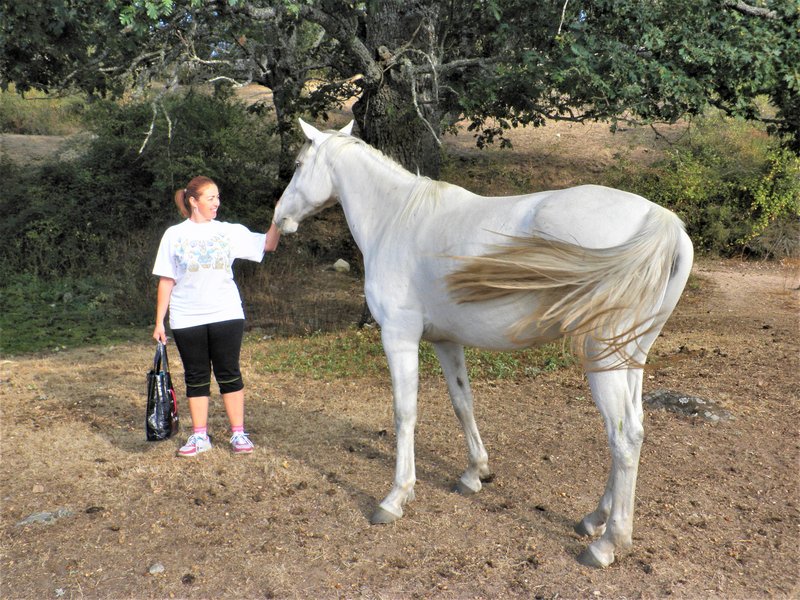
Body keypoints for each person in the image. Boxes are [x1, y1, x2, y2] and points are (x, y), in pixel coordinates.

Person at [152, 175, 280, 457]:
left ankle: (238, 434)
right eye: (211, 198)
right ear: (194, 202)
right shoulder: (174, 235)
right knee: (196, 376)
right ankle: (200, 437)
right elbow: (166, 279)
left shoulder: (228, 231)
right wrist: (159, 321)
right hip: (186, 317)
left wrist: (280, 218)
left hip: (226, 313)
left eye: (218, 198)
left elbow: (268, 244)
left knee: (229, 372)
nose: (217, 203)